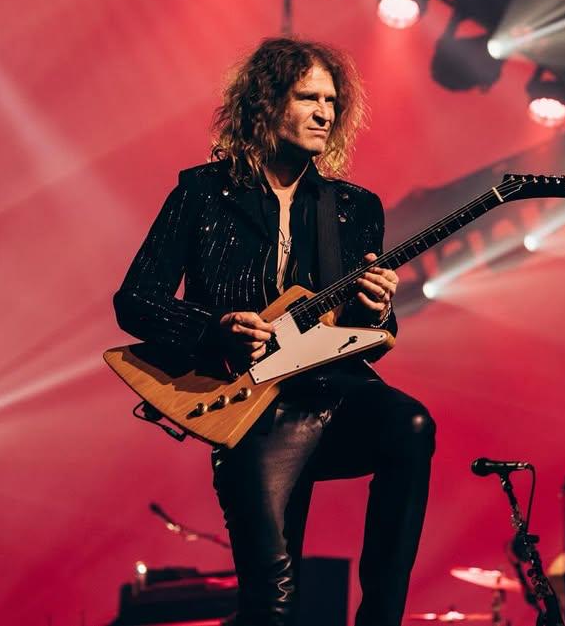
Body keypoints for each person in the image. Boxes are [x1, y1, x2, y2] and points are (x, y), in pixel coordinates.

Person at [113, 37, 435, 626]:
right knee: (272, 605)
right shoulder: (202, 193)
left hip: (333, 393)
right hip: (252, 408)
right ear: (266, 102)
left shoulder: (353, 207)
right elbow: (135, 301)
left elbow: (366, 334)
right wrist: (216, 329)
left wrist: (375, 309)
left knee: (411, 424)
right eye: (308, 97)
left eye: (332, 101)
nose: (324, 113)